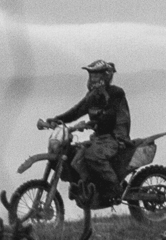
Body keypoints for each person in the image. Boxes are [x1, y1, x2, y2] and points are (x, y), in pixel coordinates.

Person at [39, 60, 131, 205]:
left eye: (96, 75)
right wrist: (56, 120)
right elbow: (77, 110)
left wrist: (93, 122)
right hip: (99, 138)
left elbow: (110, 116)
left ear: (105, 76)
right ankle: (87, 187)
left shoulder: (115, 93)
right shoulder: (92, 95)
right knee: (76, 156)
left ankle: (114, 189)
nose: (93, 79)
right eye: (91, 75)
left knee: (93, 156)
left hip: (115, 138)